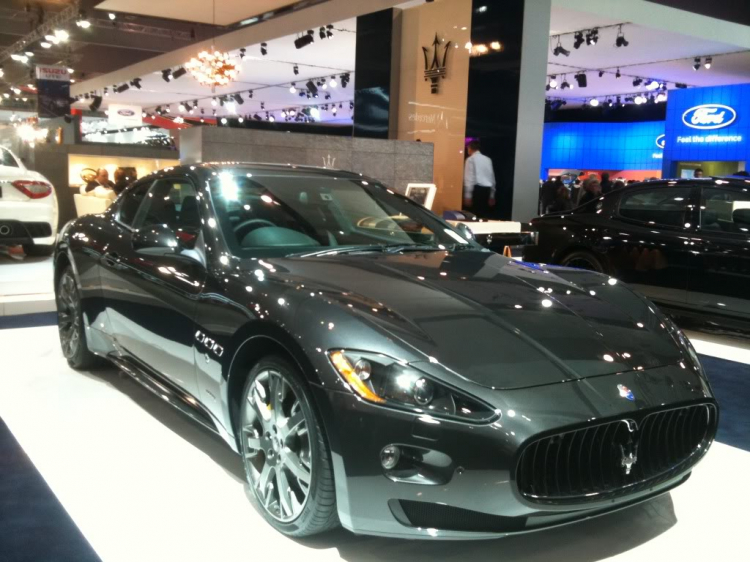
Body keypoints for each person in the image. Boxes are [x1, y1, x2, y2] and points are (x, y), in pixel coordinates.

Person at [463, 140, 496, 219]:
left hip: (476, 190)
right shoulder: (488, 159)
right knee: (484, 215)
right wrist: (492, 195)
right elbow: (492, 177)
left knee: (473, 216)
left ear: (469, 148)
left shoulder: (470, 159)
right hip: (486, 190)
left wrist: (468, 195)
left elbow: (469, 178)